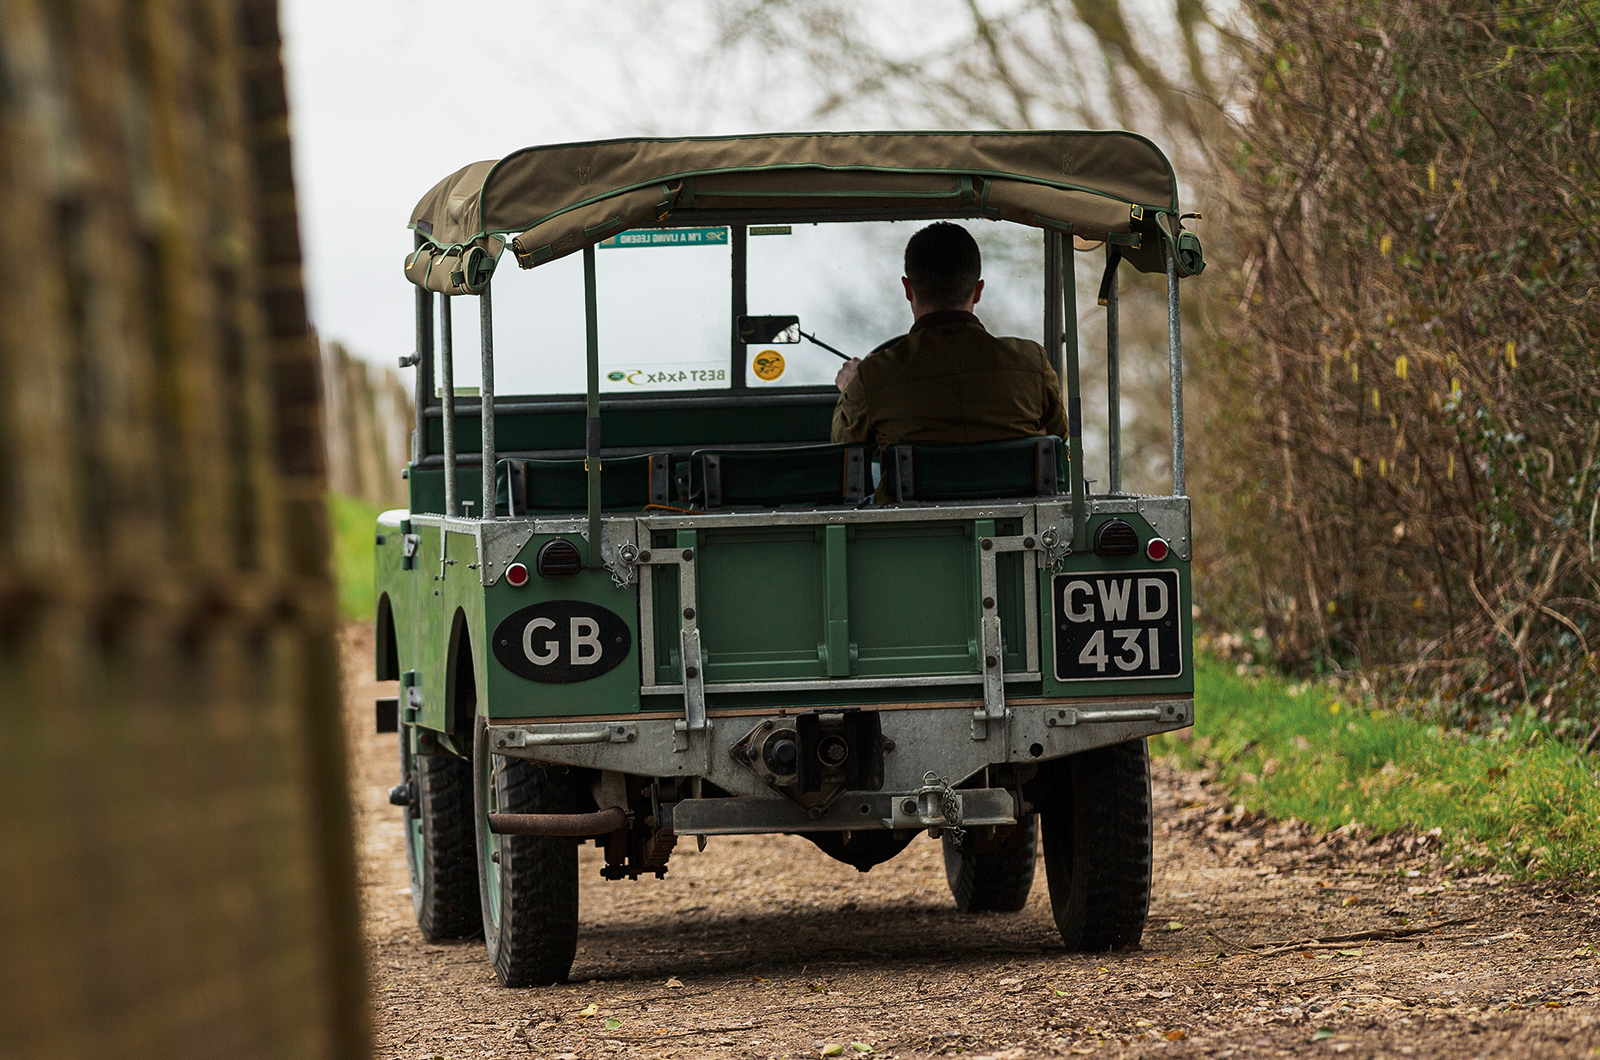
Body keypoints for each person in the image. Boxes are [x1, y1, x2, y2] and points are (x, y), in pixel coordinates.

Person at [830, 222, 1070, 451]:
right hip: (1019, 495)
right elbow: (1059, 437)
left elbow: (845, 447)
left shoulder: (874, 376)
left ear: (908, 289)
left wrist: (851, 389)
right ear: (977, 291)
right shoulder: (1031, 362)